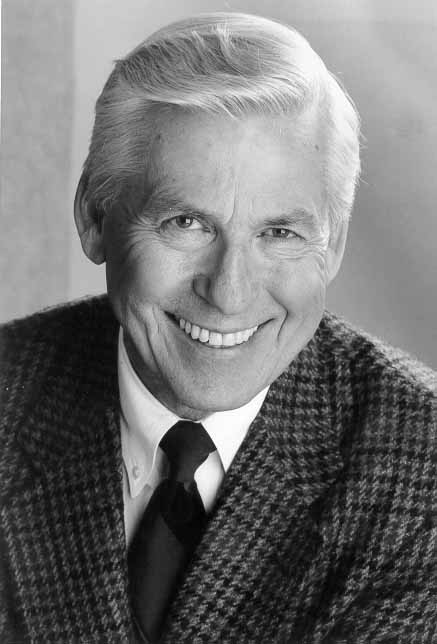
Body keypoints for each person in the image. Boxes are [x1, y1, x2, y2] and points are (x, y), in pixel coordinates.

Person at [1, 12, 436, 644]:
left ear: (333, 246)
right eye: (187, 223)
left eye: (279, 233)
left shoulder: (420, 468)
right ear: (95, 218)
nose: (229, 293)